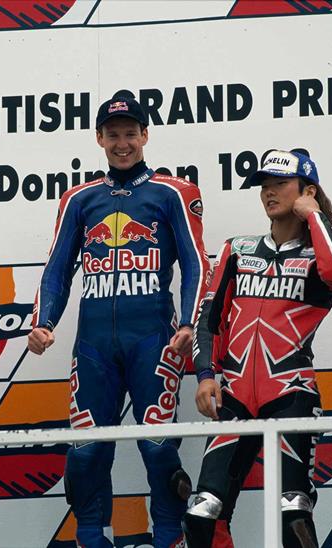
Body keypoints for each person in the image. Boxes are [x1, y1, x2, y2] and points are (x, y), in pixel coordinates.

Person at [27, 92, 209, 548]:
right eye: (113, 134)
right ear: (99, 139)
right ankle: (92, 537)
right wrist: (44, 320)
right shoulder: (78, 198)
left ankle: (170, 537)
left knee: (158, 447)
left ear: (145, 135)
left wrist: (187, 322)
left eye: (131, 133)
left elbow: (196, 262)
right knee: (87, 451)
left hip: (154, 340)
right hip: (93, 347)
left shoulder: (174, 191)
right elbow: (57, 267)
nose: (122, 142)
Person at [183, 148, 332, 547]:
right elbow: (209, 320)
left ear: (307, 189)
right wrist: (206, 376)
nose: (269, 192)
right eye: (264, 185)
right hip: (235, 395)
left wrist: (312, 215)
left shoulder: (324, 254)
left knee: (293, 508)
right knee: (202, 511)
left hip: (291, 393)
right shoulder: (237, 249)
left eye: (280, 183)